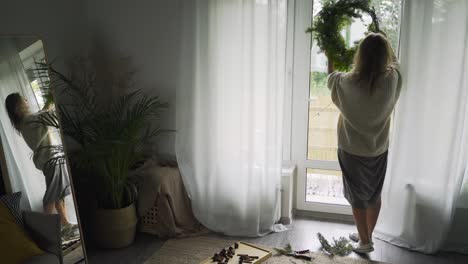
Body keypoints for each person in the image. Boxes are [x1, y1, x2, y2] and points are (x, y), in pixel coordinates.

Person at [327, 33, 402, 253]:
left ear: (360, 55)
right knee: (373, 194)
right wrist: (384, 41)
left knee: (356, 195)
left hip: (351, 148)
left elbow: (331, 76)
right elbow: (396, 63)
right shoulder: (392, 79)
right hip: (378, 148)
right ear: (385, 56)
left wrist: (330, 56)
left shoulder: (347, 81)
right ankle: (366, 235)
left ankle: (365, 240)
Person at [5, 93, 77, 238]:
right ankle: (46, 231)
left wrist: (48, 103)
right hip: (52, 159)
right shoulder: (30, 120)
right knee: (52, 194)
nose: (27, 100)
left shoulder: (25, 122)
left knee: (57, 193)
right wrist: (54, 101)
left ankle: (65, 224)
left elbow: (41, 116)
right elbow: (50, 117)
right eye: (23, 100)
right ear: (17, 108)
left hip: (50, 159)